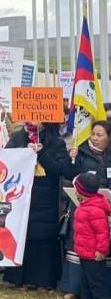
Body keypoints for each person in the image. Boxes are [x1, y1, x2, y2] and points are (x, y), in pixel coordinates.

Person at [3, 121, 69, 291]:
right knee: (23, 236)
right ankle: (20, 279)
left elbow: (60, 169)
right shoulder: (18, 137)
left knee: (43, 238)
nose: (31, 121)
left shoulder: (57, 142)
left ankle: (43, 281)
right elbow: (5, 160)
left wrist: (42, 153)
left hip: (46, 196)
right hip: (21, 194)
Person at [61, 120, 111, 298]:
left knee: (99, 259)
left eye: (100, 135)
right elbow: (68, 174)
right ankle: (74, 289)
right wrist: (71, 159)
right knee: (80, 253)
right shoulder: (81, 152)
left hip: (103, 209)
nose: (95, 138)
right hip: (84, 210)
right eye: (93, 134)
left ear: (108, 137)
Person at [72, 173, 111, 298]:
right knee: (85, 284)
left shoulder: (95, 210)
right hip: (84, 253)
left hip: (94, 255)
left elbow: (103, 233)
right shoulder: (86, 206)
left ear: (81, 191)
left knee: (97, 284)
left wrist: (101, 251)